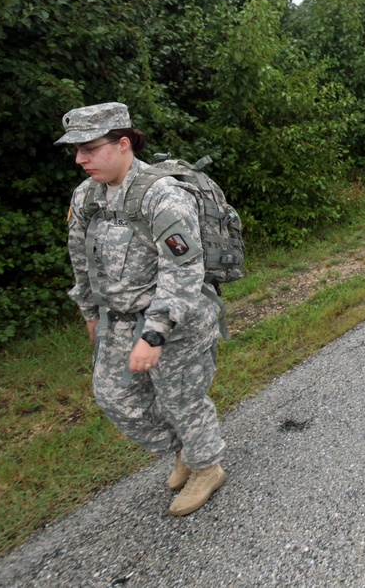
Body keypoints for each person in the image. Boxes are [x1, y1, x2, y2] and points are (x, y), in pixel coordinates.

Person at [58, 102, 227, 517]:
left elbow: (184, 268)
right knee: (116, 398)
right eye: (75, 150)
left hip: (176, 321)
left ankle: (207, 467)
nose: (80, 159)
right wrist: (90, 314)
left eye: (89, 148)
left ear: (122, 143)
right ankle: (185, 450)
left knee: (180, 400)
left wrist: (155, 333)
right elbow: (80, 258)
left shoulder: (162, 195)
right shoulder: (87, 195)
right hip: (117, 319)